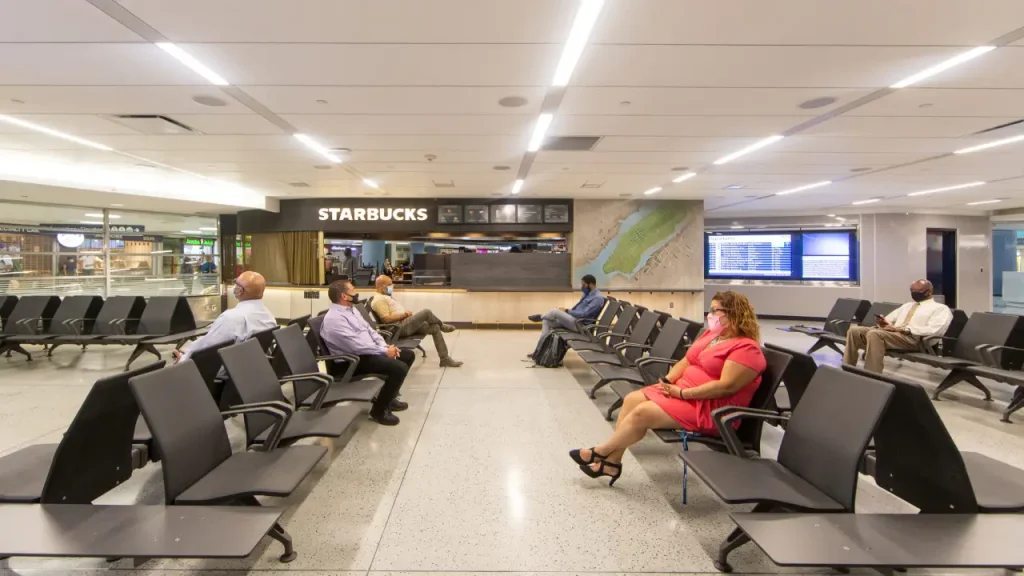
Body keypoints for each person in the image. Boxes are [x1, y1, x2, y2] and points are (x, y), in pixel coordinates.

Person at [569, 291, 766, 485]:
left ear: (733, 314)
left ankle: (600, 451)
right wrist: (669, 381)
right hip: (683, 392)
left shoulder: (746, 349)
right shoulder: (713, 335)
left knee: (642, 413)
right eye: (710, 310)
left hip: (710, 409)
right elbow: (687, 360)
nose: (710, 315)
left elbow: (726, 387)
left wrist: (683, 393)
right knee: (631, 400)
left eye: (715, 311)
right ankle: (612, 462)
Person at [321, 279, 414, 426]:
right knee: (399, 368)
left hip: (366, 353)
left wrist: (384, 345)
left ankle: (389, 398)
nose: (356, 292)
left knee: (408, 355)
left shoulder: (351, 309)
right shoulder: (334, 319)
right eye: (353, 290)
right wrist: (384, 351)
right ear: (344, 296)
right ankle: (379, 411)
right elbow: (356, 346)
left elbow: (370, 330)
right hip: (350, 361)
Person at [843, 279, 953, 374]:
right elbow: (889, 319)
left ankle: (872, 375)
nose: (914, 293)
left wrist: (903, 329)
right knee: (854, 330)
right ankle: (847, 368)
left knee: (875, 334)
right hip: (895, 335)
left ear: (929, 291)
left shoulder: (940, 308)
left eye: (918, 291)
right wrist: (883, 322)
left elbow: (934, 330)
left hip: (914, 340)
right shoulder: (907, 305)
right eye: (912, 290)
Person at [172, 271, 277, 363]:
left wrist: (183, 359)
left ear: (240, 290)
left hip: (225, 370)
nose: (234, 286)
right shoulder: (268, 315)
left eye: (236, 283)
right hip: (251, 366)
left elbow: (206, 347)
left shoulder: (230, 317)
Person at [370, 275, 462, 368]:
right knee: (426, 312)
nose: (392, 286)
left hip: (403, 324)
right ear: (382, 286)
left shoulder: (385, 296)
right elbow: (386, 319)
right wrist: (405, 315)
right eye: (389, 284)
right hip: (398, 328)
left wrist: (405, 315)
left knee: (435, 327)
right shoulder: (378, 300)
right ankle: (442, 326)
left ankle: (444, 359)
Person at [527, 274, 603, 357]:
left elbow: (584, 314)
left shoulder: (597, 298)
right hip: (574, 320)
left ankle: (540, 317)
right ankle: (538, 351)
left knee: (555, 311)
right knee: (546, 321)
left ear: (591, 284)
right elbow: (577, 309)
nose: (582, 287)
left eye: (584, 285)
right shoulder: (587, 294)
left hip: (581, 325)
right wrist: (566, 313)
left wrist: (567, 311)